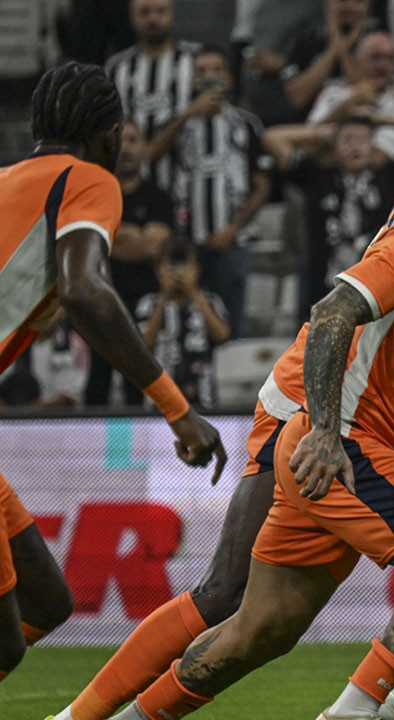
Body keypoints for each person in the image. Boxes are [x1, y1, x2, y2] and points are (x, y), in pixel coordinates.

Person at [48, 78, 394, 720]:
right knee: (228, 596)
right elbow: (381, 312)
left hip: (390, 406)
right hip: (315, 398)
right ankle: (80, 717)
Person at [0, 62, 224, 683]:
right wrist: (178, 408)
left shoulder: (8, 182)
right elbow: (85, 290)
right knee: (4, 643)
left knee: (46, 602)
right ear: (108, 136)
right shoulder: (88, 179)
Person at [147, 46, 274, 338]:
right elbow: (150, 156)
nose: (209, 77)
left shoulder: (245, 123)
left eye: (217, 69)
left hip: (233, 240)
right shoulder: (175, 122)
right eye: (201, 71)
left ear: (229, 77)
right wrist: (186, 115)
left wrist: (234, 228)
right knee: (185, 324)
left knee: (231, 325)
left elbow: (262, 185)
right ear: (191, 79)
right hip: (185, 242)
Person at [263, 116, 394, 322]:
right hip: (323, 286)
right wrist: (321, 133)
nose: (355, 146)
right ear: (334, 146)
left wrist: (381, 118)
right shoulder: (317, 177)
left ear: (373, 144)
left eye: (362, 139)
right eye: (347, 139)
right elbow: (272, 137)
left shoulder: (389, 177)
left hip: (375, 286)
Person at [85, 120, 174, 407]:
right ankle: (88, 436)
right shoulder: (95, 194)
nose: (126, 148)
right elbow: (89, 240)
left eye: (134, 140)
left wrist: (112, 234)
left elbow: (153, 246)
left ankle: (138, 436)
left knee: (140, 383)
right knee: (97, 384)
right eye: (120, 140)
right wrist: (135, 236)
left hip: (145, 303)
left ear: (146, 147)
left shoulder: (158, 197)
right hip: (100, 300)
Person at [104, 0, 202, 190]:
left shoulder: (195, 60)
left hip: (189, 175)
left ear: (172, 13)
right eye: (144, 12)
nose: (153, 19)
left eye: (161, 11)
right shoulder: (117, 67)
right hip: (133, 182)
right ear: (132, 17)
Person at [308, 31, 394, 165]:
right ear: (357, 61)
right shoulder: (332, 94)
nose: (382, 65)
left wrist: (374, 118)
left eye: (390, 58)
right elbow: (308, 142)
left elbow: (380, 159)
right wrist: (350, 104)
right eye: (375, 57)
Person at [136, 241, 232, 407]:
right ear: (158, 270)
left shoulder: (210, 301)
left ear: (197, 270)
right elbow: (142, 344)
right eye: (171, 267)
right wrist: (164, 299)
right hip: (159, 401)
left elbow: (222, 335)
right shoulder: (149, 304)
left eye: (184, 266)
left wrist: (194, 294)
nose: (178, 273)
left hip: (204, 397)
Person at [280, 0, 375, 114]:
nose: (350, 6)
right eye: (342, 1)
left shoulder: (381, 43)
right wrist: (334, 49)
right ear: (327, 3)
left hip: (365, 120)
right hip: (311, 122)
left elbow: (369, 94)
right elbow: (298, 98)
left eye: (358, 1)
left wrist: (343, 51)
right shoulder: (305, 42)